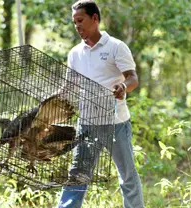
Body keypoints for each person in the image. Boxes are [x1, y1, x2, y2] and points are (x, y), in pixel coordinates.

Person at [58, 1, 144, 208]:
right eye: (74, 22)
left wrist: (123, 87)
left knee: (127, 175)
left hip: (116, 123)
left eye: (81, 20)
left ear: (94, 19)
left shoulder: (116, 46)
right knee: (78, 174)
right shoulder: (75, 53)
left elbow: (132, 78)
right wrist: (48, 104)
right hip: (86, 123)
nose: (77, 26)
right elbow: (68, 88)